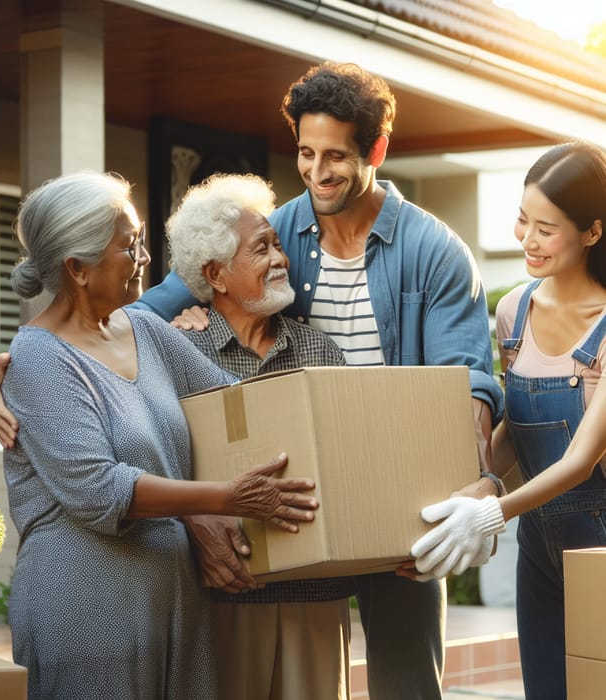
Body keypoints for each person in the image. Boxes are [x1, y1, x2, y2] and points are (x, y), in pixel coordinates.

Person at [135, 62, 504, 699]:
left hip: (401, 497)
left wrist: (469, 498)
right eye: (305, 153)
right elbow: (139, 314)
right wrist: (32, 355)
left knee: (408, 687)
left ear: (377, 150)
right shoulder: (276, 233)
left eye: (336, 156)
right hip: (303, 495)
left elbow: (465, 387)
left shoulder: (435, 252)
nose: (316, 172)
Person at [0, 172, 355, 699]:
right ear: (78, 268)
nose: (144, 259)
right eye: (129, 246)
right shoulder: (39, 363)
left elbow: (237, 399)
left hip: (178, 605)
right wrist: (225, 497)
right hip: (87, 612)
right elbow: (101, 490)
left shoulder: (146, 331)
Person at [409, 141, 606, 700]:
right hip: (538, 545)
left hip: (600, 544)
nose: (528, 240)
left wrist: (489, 512)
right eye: (524, 220)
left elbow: (579, 459)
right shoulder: (514, 310)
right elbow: (519, 432)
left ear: (593, 232)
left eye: (548, 228)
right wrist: (477, 487)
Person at [156, 172, 355, 700]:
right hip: (225, 592)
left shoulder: (320, 351)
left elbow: (349, 462)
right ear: (216, 275)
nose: (280, 259)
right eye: (260, 248)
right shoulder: (182, 350)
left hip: (317, 592)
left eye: (278, 245)